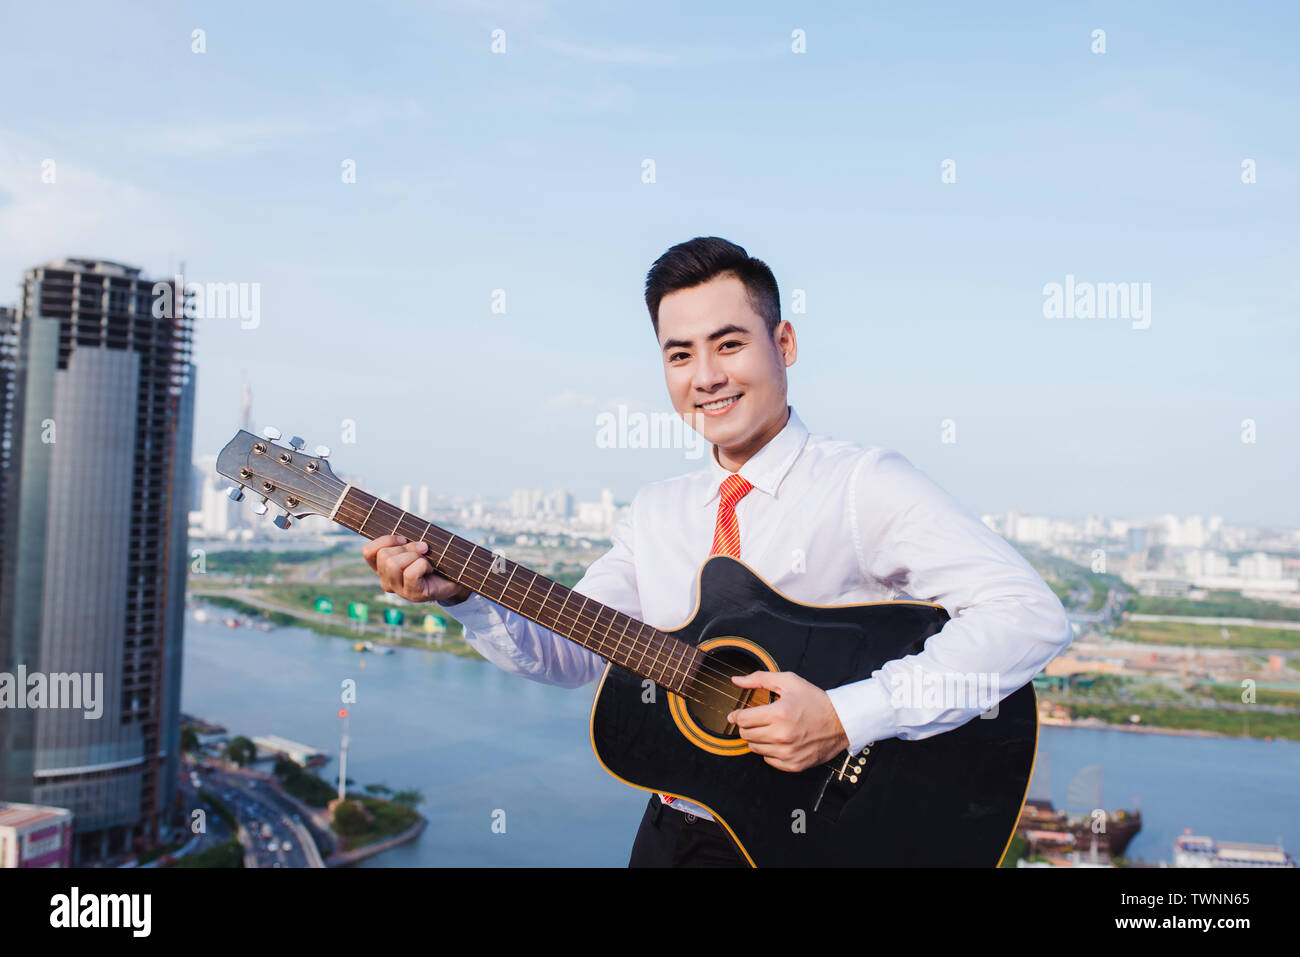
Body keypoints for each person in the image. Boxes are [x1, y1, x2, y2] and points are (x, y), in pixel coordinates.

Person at [361, 236, 1073, 867]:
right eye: (680, 354)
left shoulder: (861, 483)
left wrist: (848, 715)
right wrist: (463, 595)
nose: (705, 376)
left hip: (824, 837)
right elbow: (567, 653)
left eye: (729, 343)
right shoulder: (656, 512)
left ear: (784, 343)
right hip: (677, 832)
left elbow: (1028, 616)